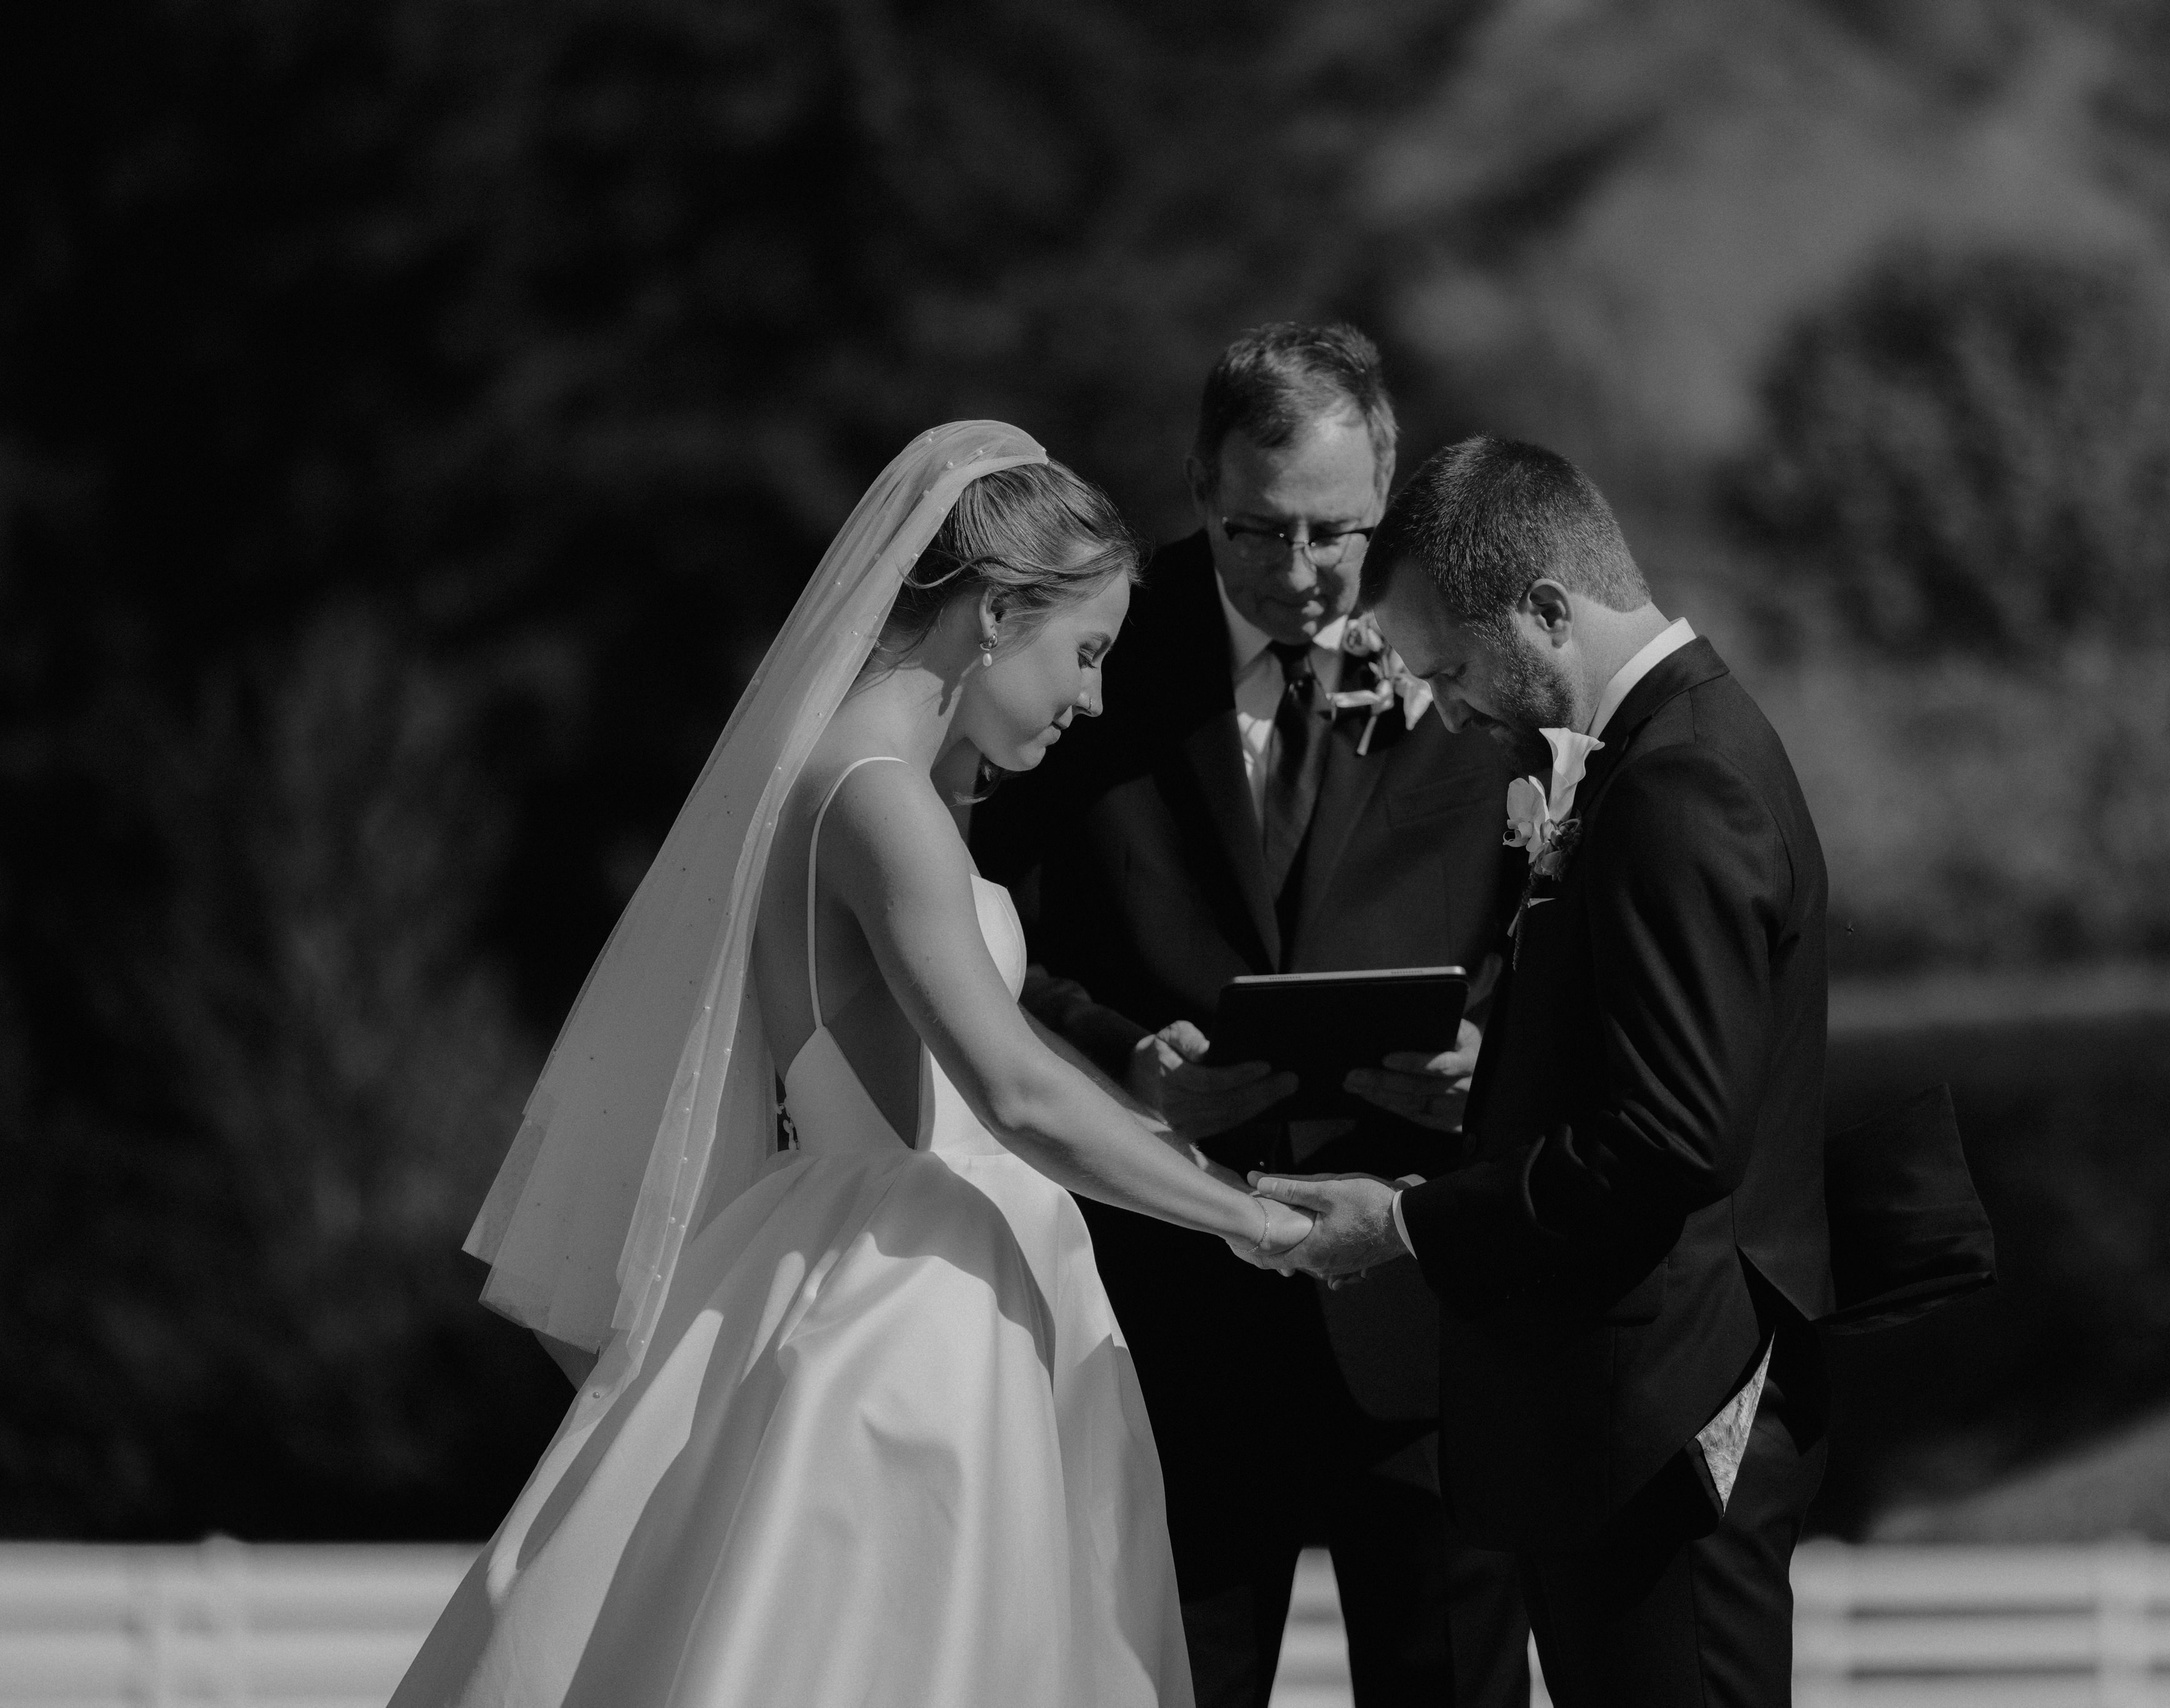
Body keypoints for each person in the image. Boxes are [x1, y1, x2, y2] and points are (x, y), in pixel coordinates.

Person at [391, 422, 1310, 1708]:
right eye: (1085, 652)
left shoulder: (860, 791)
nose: (1093, 698)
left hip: (886, 1258)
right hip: (908, 1308)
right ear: (995, 612)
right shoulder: (878, 803)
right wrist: (1253, 1219)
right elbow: (1016, 1093)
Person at [972, 325, 1532, 1708]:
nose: (1294, 574)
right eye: (1251, 532)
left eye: (1333, 538)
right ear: (1194, 487)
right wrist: (1125, 1063)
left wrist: (1491, 1057)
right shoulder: (1094, 652)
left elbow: (1560, 919)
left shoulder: (1480, 651)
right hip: (1171, 1303)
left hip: (1425, 1295)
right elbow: (991, 932)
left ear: (1387, 498)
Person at [1255, 437, 1836, 1708]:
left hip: (1666, 1421)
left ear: (1547, 609)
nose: (1449, 710)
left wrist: (1406, 1221)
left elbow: (1672, 1139)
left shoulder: (1679, 784)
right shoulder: (1664, 754)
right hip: (1615, 1417)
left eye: (1452, 668)